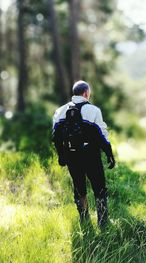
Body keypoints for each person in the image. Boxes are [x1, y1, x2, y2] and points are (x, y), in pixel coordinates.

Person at [52, 80, 115, 227]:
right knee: (99, 187)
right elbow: (102, 135)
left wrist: (61, 156)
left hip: (71, 155)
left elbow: (56, 137)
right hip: (90, 155)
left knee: (79, 186)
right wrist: (109, 154)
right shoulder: (93, 110)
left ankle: (84, 219)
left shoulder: (59, 111)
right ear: (86, 93)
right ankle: (103, 222)